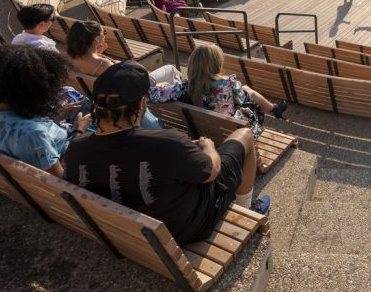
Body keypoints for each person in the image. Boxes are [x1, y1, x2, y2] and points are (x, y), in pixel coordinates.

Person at [63, 61, 271, 243]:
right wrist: (209, 147)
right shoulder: (167, 142)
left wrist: (79, 130)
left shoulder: (76, 149)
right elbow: (211, 172)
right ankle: (248, 208)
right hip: (186, 228)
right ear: (141, 103)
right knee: (244, 135)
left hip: (124, 230)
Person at [0, 45, 89, 175]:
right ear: (28, 89)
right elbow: (61, 178)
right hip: (76, 164)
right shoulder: (34, 135)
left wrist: (50, 118)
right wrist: (78, 132)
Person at [65, 20, 185, 98]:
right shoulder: (103, 64)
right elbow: (127, 84)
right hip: (139, 87)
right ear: (96, 39)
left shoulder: (73, 58)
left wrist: (98, 53)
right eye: (104, 33)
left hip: (103, 94)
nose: (105, 35)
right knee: (171, 70)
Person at [186, 45, 286, 137]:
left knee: (245, 89)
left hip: (205, 130)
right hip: (234, 133)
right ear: (216, 64)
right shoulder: (227, 83)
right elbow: (241, 99)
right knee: (249, 93)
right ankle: (274, 108)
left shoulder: (186, 86)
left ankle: (274, 108)